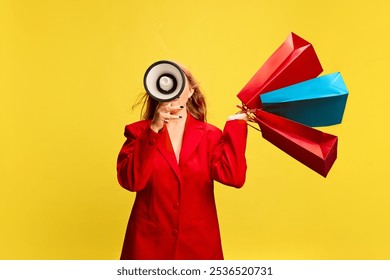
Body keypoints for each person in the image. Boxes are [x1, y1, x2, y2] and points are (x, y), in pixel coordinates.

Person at [116, 63, 249, 260]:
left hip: (198, 244)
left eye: (179, 80)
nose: (172, 88)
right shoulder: (138, 133)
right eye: (166, 81)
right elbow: (131, 182)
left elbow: (234, 177)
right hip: (149, 245)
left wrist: (236, 125)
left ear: (190, 91)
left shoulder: (210, 135)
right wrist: (153, 130)